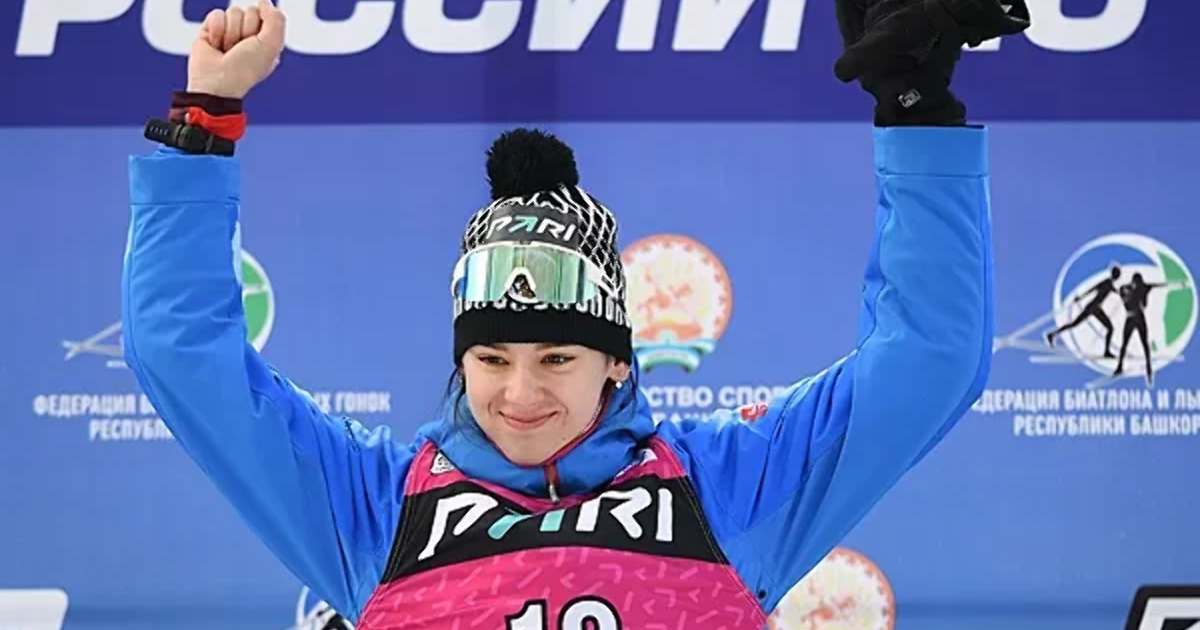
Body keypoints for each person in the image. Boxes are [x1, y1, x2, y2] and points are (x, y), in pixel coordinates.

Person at [121, 0, 1029, 628]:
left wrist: (916, 114)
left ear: (617, 361)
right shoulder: (373, 510)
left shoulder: (723, 489)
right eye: (492, 359)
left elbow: (928, 359)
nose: (519, 394)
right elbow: (182, 355)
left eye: (557, 357)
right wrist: (204, 122)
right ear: (460, 361)